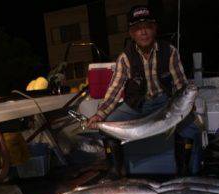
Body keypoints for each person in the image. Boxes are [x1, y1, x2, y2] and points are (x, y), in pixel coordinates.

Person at [87, 5, 202, 177]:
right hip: (137, 105)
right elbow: (114, 90)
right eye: (137, 29)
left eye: (147, 27)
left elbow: (180, 84)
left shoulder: (169, 52)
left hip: (165, 103)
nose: (143, 32)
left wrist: (188, 106)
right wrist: (100, 115)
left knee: (192, 126)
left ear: (154, 29)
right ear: (131, 34)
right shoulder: (125, 58)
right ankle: (117, 171)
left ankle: (183, 171)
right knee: (107, 125)